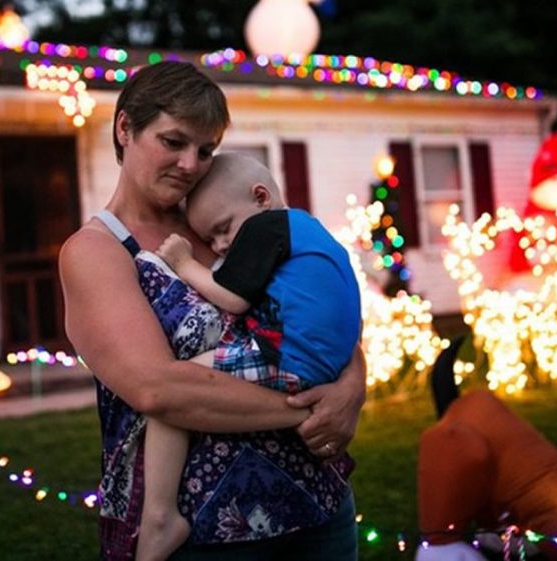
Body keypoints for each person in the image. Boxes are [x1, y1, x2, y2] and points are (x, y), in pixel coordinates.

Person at [59, 60, 367, 561]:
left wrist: (353, 385)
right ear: (125, 128)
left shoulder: (227, 223)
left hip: (318, 507)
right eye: (173, 141)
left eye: (205, 150)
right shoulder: (98, 251)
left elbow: (319, 309)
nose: (190, 164)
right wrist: (311, 410)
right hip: (204, 532)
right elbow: (159, 389)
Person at [135, 152, 363, 560]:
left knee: (177, 390)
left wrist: (185, 262)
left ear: (260, 197)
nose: (222, 245)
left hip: (291, 359)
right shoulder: (307, 229)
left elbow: (234, 299)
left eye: (223, 230)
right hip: (322, 363)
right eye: (211, 240)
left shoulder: (267, 225)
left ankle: (160, 517)